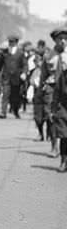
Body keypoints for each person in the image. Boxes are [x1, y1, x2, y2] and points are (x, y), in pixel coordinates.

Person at [44, 27, 67, 171]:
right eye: (60, 39)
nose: (63, 41)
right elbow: (44, 74)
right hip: (55, 90)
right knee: (58, 124)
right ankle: (59, 153)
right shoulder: (49, 55)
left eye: (65, 39)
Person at [0, 35, 26, 119]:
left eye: (12, 42)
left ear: (16, 43)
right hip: (6, 77)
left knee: (15, 96)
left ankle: (16, 111)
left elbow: (24, 64)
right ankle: (3, 112)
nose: (10, 43)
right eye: (9, 42)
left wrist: (24, 73)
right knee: (5, 94)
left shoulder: (20, 53)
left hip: (17, 78)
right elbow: (0, 64)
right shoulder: (4, 52)